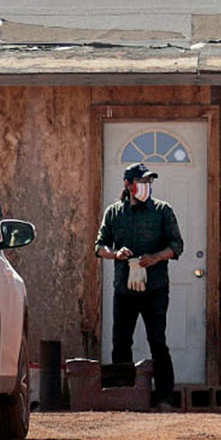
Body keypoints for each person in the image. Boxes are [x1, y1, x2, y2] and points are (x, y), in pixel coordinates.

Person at [94, 162, 185, 409]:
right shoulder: (114, 213)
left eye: (149, 182)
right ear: (128, 184)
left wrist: (155, 257)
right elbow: (99, 247)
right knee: (121, 341)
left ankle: (165, 396)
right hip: (125, 289)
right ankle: (122, 395)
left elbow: (177, 245)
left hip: (155, 288)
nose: (146, 186)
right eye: (142, 182)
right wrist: (116, 254)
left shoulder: (162, 211)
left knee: (157, 340)